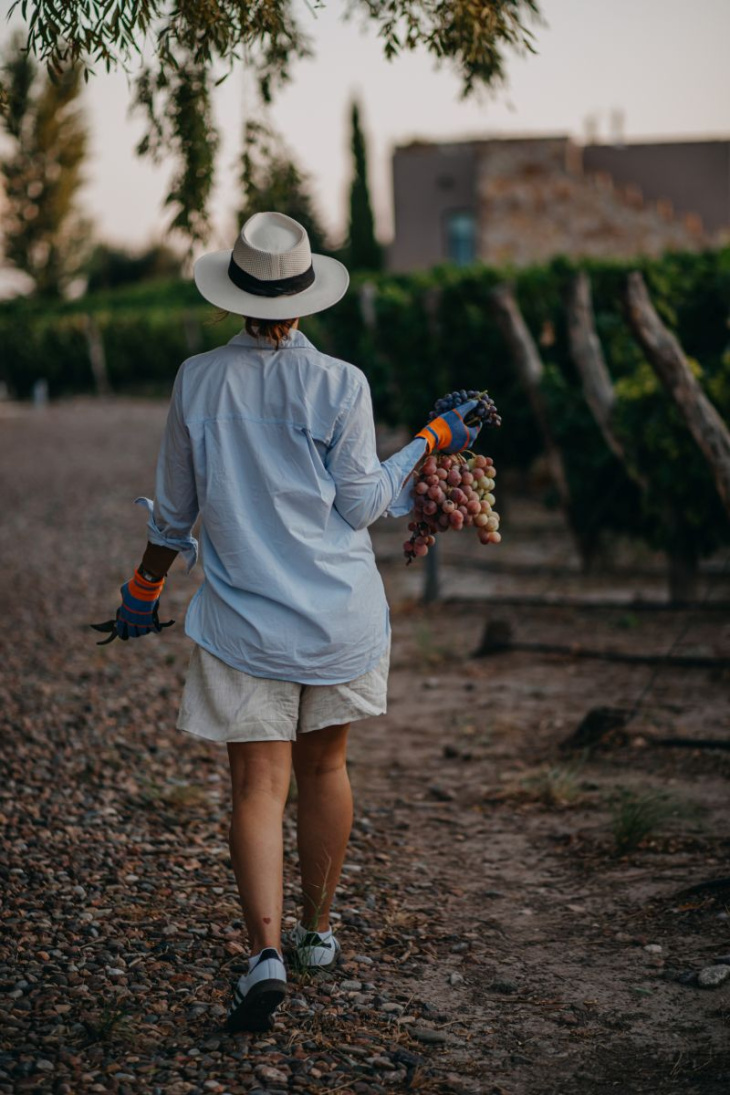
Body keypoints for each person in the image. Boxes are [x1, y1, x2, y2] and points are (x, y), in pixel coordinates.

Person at [95, 211, 482, 1033]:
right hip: (339, 615)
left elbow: (173, 515)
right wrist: (431, 440)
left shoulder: (197, 380)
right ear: (305, 296)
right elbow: (364, 504)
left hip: (244, 622)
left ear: (235, 295)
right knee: (325, 769)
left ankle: (263, 955)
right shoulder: (341, 384)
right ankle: (316, 933)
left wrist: (141, 590)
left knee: (257, 785)